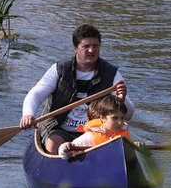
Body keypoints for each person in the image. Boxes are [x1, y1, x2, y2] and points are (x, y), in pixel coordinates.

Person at [19, 24, 135, 154]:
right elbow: (36, 94)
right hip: (59, 129)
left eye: (95, 46)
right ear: (76, 48)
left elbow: (129, 115)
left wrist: (122, 100)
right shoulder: (60, 70)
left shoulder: (111, 74)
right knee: (52, 146)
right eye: (86, 46)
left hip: (96, 130)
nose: (91, 50)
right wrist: (28, 114)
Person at [58, 96, 130, 160]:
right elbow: (66, 152)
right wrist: (64, 148)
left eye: (122, 118)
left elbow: (134, 154)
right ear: (103, 118)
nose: (120, 122)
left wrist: (136, 146)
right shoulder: (90, 136)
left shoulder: (124, 135)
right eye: (115, 118)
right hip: (96, 167)